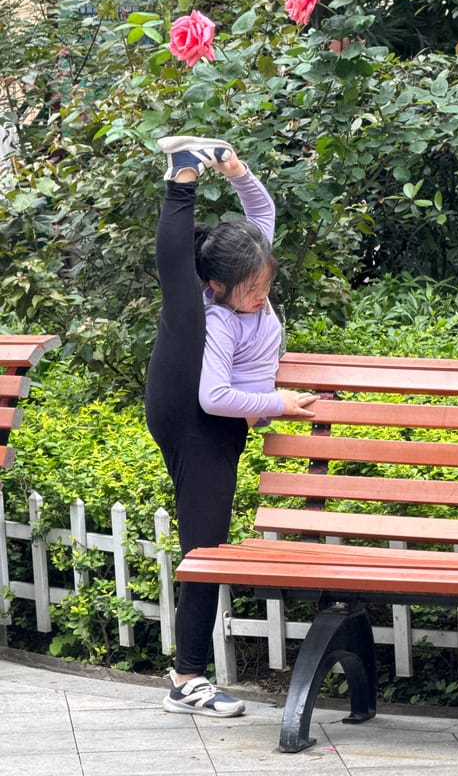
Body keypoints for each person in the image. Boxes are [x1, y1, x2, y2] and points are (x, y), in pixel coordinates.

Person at [145, 135, 317, 718]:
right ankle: (188, 677)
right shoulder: (216, 319)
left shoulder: (246, 275)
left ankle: (186, 173)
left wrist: (241, 172)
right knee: (206, 545)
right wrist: (279, 403)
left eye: (267, 283)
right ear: (218, 286)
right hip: (198, 421)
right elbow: (215, 396)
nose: (263, 294)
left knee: (208, 541)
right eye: (253, 290)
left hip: (206, 417)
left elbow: (261, 217)